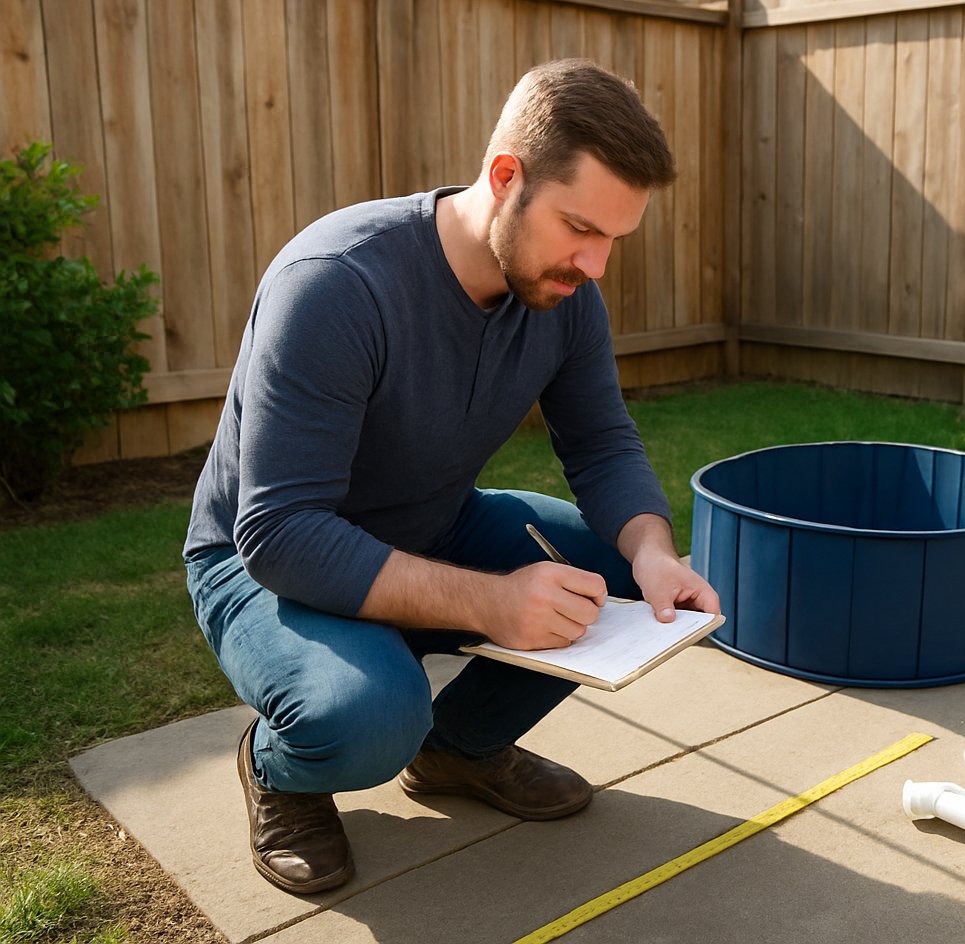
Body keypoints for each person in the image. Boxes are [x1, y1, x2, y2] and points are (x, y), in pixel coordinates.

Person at [183, 58, 720, 895]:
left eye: (616, 237)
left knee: (614, 569)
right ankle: (279, 767)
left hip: (434, 523)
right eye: (581, 227)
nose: (598, 264)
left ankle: (457, 752)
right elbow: (279, 534)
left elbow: (604, 443)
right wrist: (494, 604)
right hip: (261, 566)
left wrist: (654, 553)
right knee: (368, 719)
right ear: (505, 177)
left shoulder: (567, 293)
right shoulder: (335, 285)